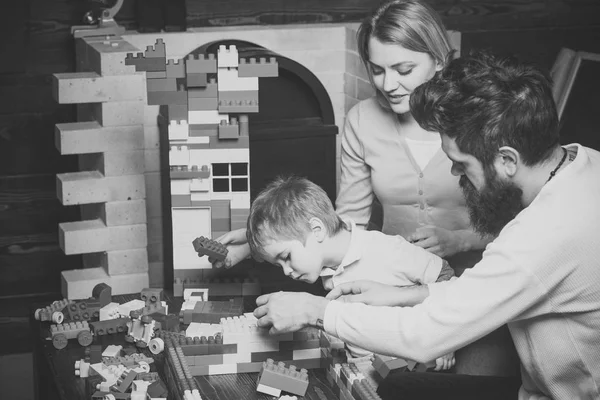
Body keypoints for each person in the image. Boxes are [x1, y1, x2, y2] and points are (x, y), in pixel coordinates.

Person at [253, 51, 600, 399]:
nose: (454, 174)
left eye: (462, 164)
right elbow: (479, 292)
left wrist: (316, 310)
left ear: (507, 159)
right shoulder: (583, 163)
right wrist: (406, 295)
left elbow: (423, 336)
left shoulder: (540, 237)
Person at [209, 0, 491, 271]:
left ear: (439, 60)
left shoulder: (478, 115)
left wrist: (461, 240)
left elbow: (527, 221)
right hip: (395, 281)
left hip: (478, 278)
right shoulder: (362, 120)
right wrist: (259, 242)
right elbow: (349, 222)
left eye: (404, 70)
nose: (389, 85)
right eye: (377, 70)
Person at [246, 175, 456, 370]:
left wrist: (445, 342)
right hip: (361, 369)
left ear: (317, 230)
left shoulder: (386, 249)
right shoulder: (324, 268)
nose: (286, 271)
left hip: (408, 368)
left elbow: (448, 280)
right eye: (277, 265)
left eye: (286, 257)